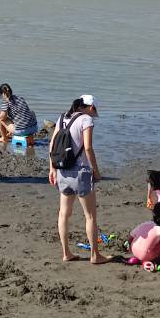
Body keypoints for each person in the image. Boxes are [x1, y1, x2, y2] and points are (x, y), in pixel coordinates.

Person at [51, 95, 109, 264]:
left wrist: (52, 169)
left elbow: (52, 144)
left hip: (62, 171)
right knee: (90, 216)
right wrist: (96, 172)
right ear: (91, 108)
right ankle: (95, 255)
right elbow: (88, 148)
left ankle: (66, 253)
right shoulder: (86, 120)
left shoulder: (62, 117)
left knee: (63, 213)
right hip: (81, 172)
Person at [129, 203, 160, 268]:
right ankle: (148, 260)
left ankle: (138, 258)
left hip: (134, 250)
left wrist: (130, 248)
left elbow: (131, 237)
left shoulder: (146, 223)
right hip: (146, 255)